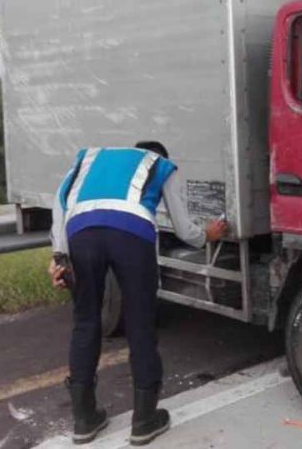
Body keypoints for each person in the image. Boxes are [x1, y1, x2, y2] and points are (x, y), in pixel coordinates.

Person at [48, 141, 226, 445]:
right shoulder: (161, 165)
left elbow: (60, 203)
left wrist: (60, 257)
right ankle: (144, 420)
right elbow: (184, 229)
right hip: (131, 235)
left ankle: (84, 419)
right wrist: (207, 234)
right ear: (160, 154)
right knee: (140, 322)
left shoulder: (90, 158)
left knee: (85, 320)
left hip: (81, 232)